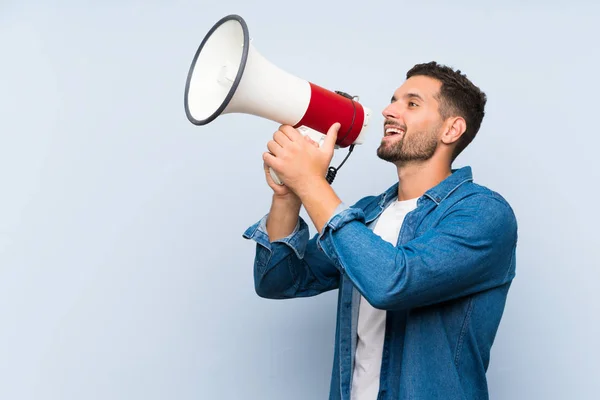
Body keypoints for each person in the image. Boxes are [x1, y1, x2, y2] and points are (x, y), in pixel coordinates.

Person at [242, 61, 518, 400]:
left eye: (411, 104)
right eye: (393, 100)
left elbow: (392, 282)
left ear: (451, 130)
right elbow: (277, 281)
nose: (389, 111)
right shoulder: (369, 213)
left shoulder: (483, 213)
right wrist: (288, 196)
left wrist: (311, 181)